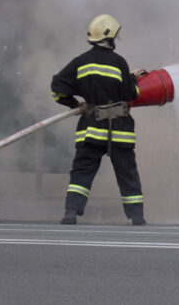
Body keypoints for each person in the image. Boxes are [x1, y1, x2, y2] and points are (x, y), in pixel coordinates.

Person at [51, 14, 147, 225]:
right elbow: (131, 94)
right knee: (127, 173)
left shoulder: (80, 62)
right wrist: (132, 79)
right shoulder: (119, 62)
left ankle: (71, 212)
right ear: (110, 37)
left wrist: (73, 104)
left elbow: (57, 88)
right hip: (120, 130)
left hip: (91, 128)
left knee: (82, 172)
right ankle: (137, 217)